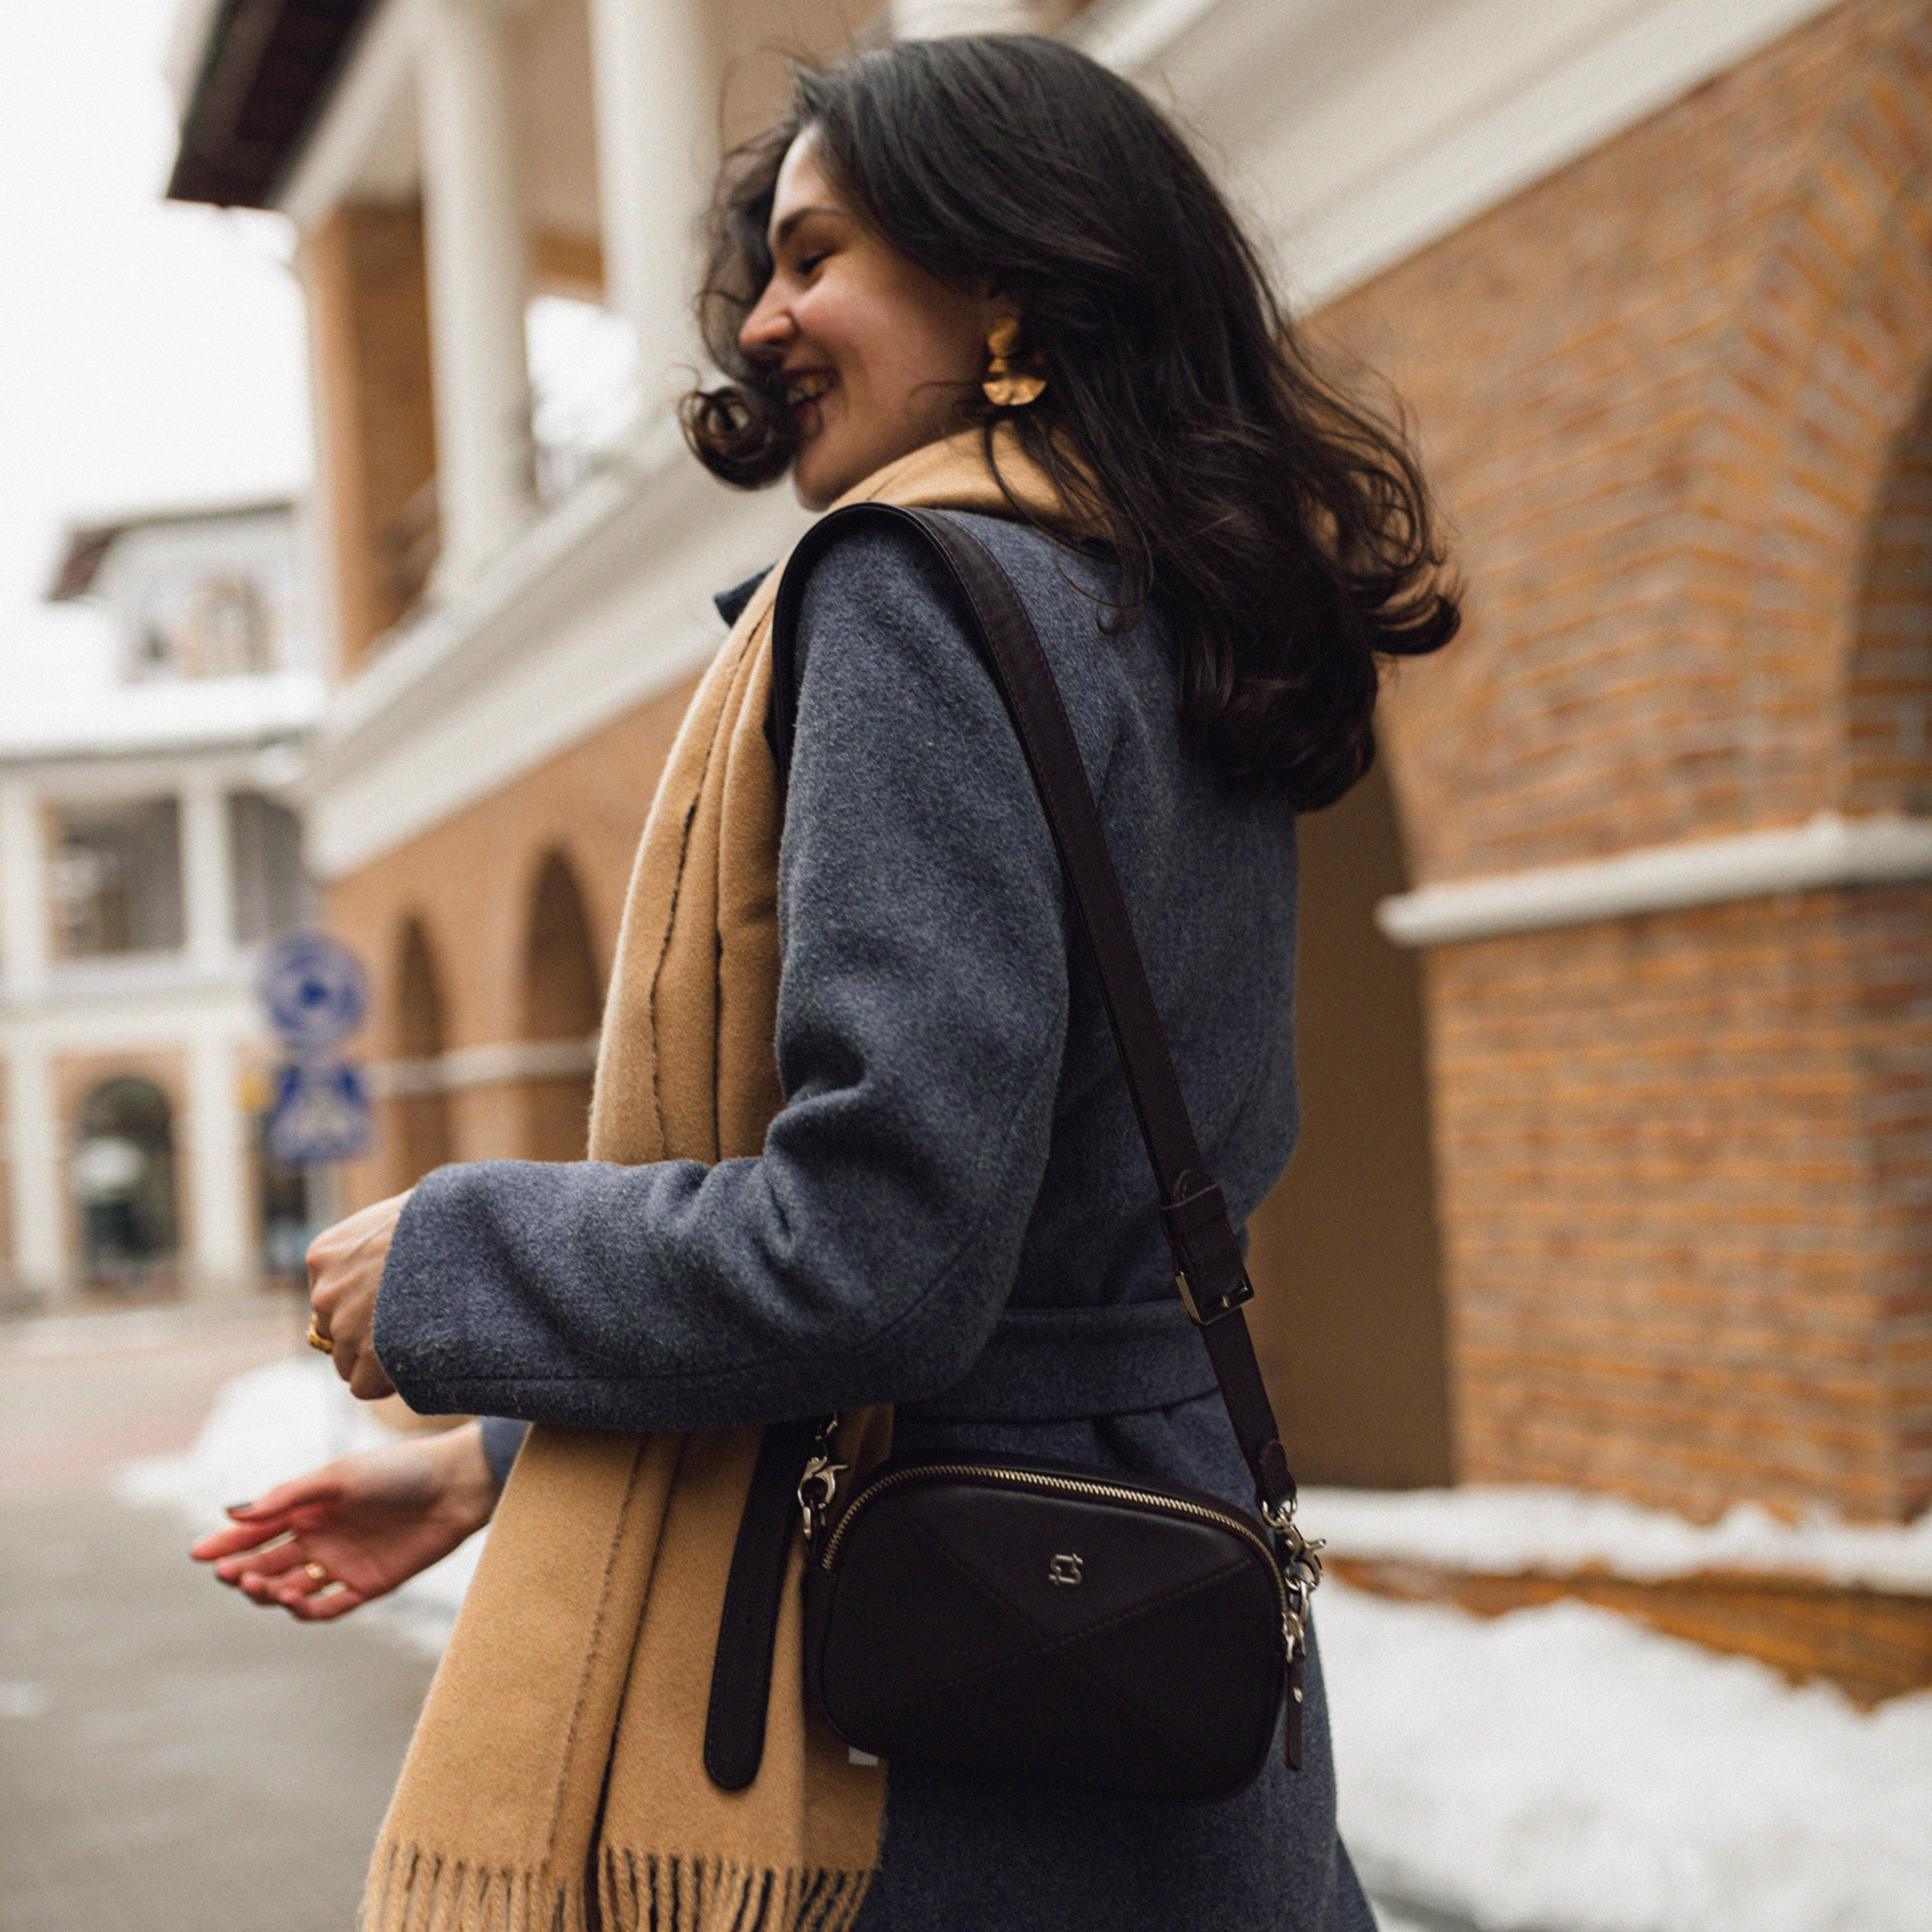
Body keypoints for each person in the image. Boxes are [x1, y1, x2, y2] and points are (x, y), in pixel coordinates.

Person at [193, 34, 1456, 1932]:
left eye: (817, 256)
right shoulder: (1164, 599)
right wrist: (496, 1457)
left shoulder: (912, 596)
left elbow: (884, 1252)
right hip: (1142, 1612)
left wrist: (454, 1262)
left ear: (1009, 275)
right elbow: (1023, 1238)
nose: (762, 320)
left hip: (932, 1709)